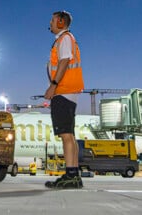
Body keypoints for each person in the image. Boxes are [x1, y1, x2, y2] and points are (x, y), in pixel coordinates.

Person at [44, 10, 85, 189]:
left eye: (53, 20)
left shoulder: (65, 38)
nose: (50, 23)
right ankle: (73, 175)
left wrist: (53, 84)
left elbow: (64, 62)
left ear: (61, 22)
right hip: (68, 91)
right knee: (70, 135)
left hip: (64, 90)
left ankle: (70, 175)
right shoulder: (64, 39)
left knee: (66, 135)